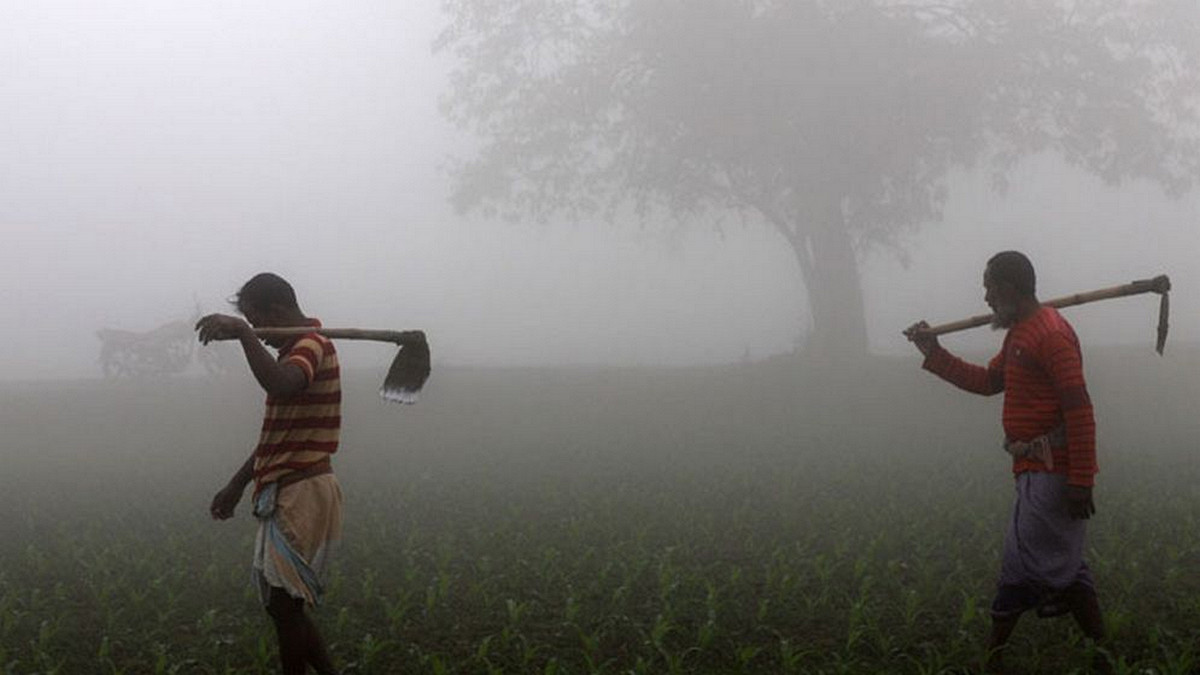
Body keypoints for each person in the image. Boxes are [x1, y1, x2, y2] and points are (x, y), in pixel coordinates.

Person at [906, 251, 1105, 672]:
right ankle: (1103, 653)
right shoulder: (1019, 333)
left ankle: (993, 658)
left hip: (1052, 472)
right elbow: (988, 382)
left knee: (1020, 565)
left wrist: (1081, 480)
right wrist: (934, 352)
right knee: (1065, 567)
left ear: (1010, 289)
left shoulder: (1050, 334)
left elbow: (1079, 408)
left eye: (990, 288)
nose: (986, 298)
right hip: (1034, 471)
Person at [196, 272, 342, 675]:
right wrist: (237, 484)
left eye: (258, 322)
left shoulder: (310, 345)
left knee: (284, 605)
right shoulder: (294, 350)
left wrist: (243, 334)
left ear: (276, 312)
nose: (259, 333)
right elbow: (277, 437)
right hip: (287, 487)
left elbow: (281, 385)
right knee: (283, 608)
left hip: (303, 489)